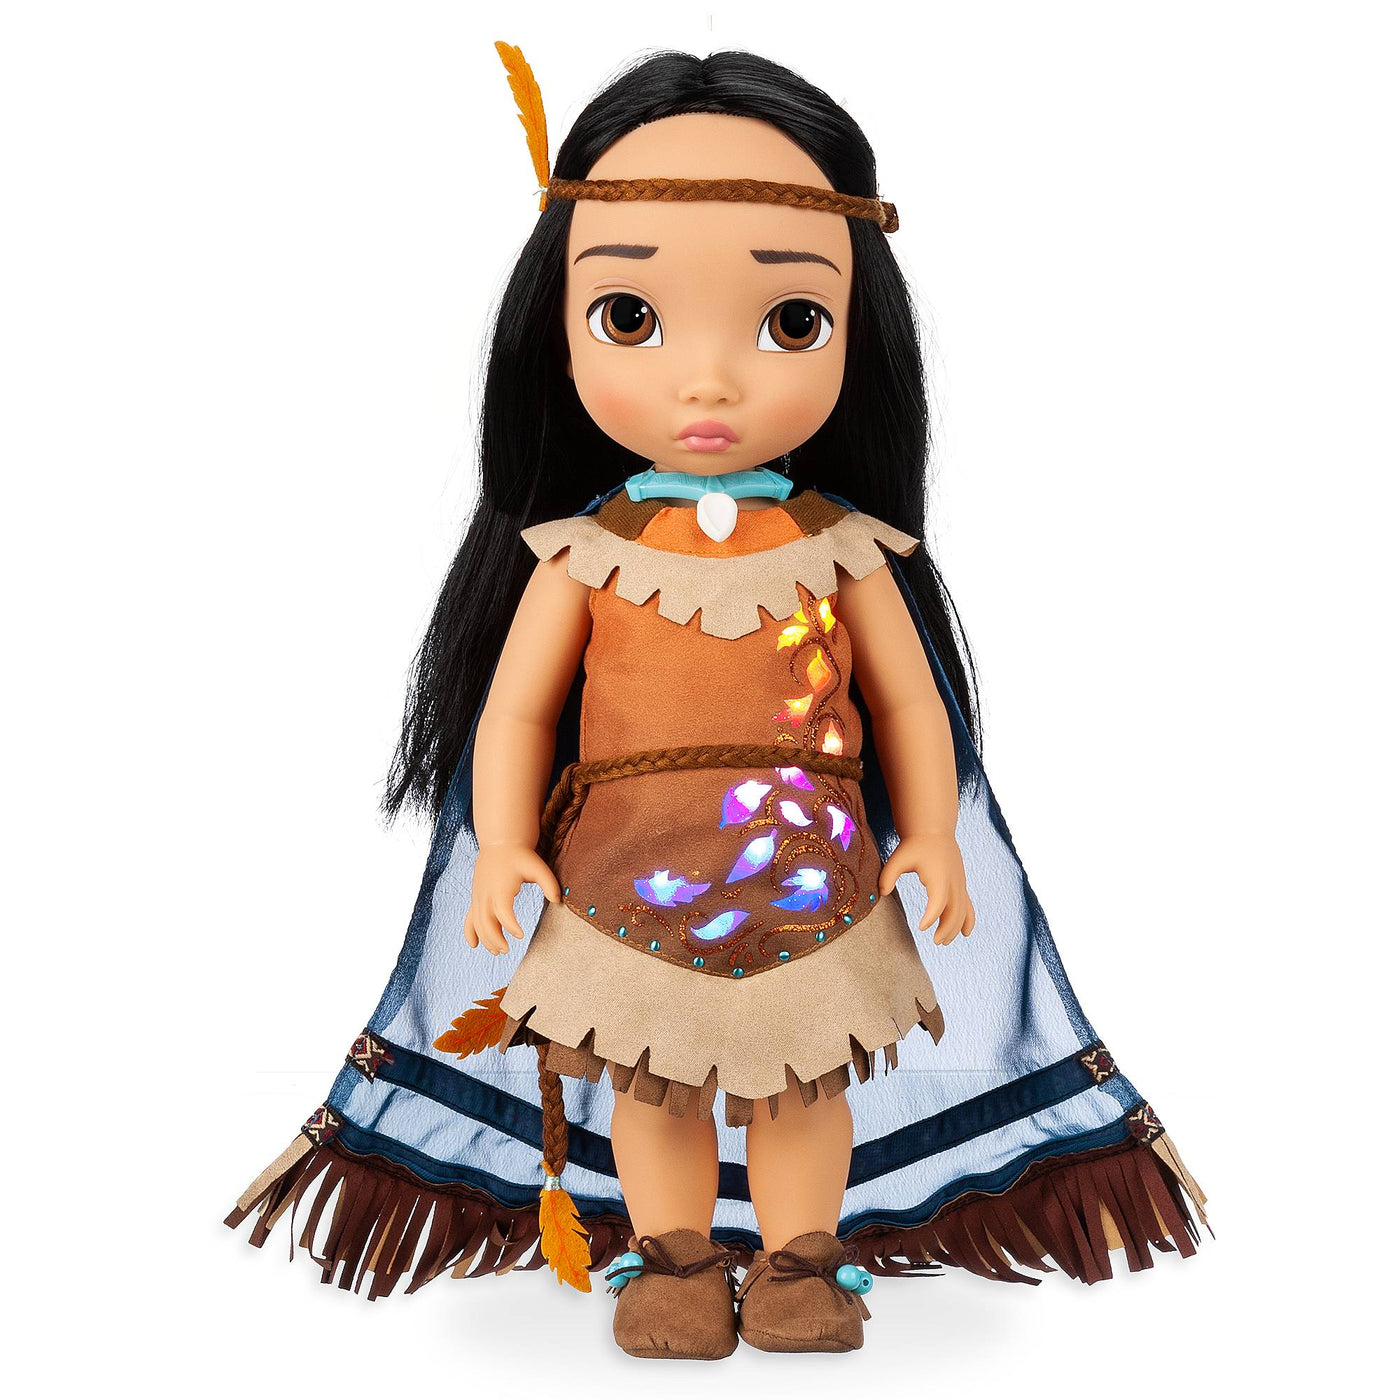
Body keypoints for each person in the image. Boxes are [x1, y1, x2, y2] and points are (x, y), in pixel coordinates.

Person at [226, 44, 1209, 1361]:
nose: (708, 380)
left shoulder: (844, 551)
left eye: (788, 322)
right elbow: (516, 717)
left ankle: (803, 1259)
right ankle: (676, 1259)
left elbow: (910, 710)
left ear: (856, 334)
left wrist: (928, 833)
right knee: (654, 1086)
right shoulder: (582, 556)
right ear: (554, 326)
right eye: (631, 317)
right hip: (630, 888)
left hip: (812, 886)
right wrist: (504, 841)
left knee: (806, 1086)